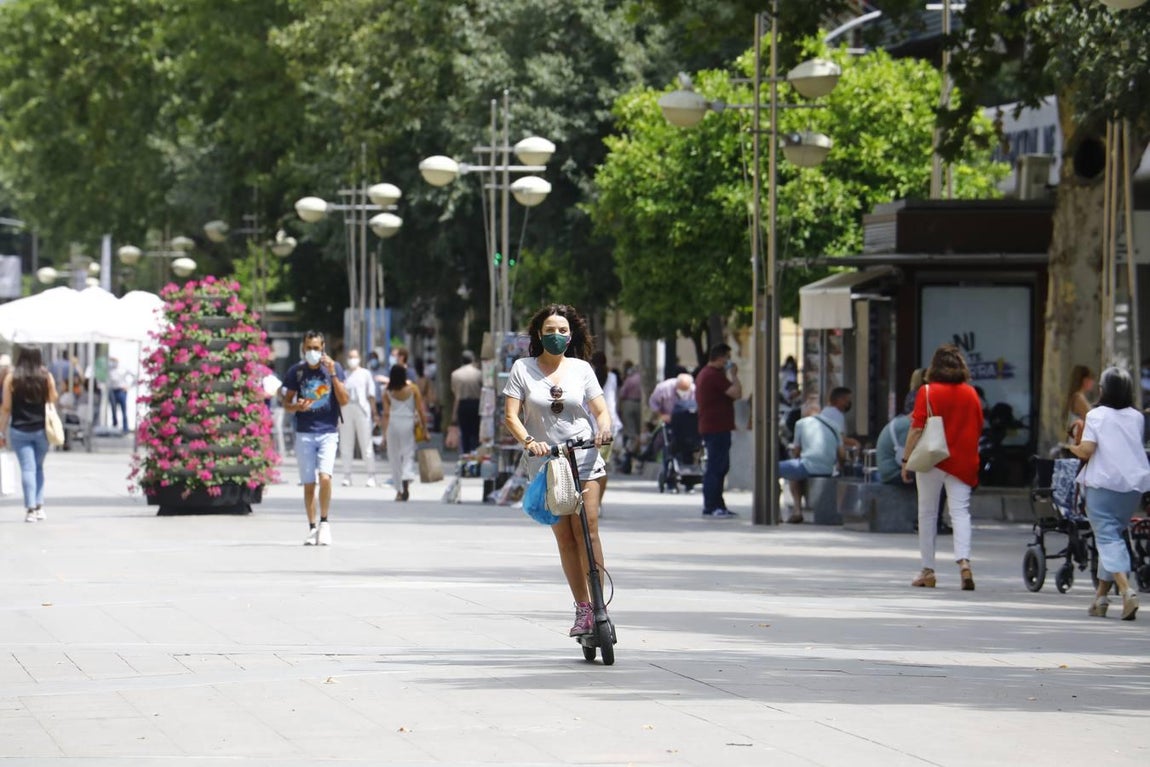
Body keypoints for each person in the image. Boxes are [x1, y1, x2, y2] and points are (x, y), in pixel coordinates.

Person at [503, 303, 613, 637]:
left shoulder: (581, 369)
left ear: (571, 334)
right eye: (550, 330)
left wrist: (603, 429)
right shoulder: (523, 369)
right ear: (539, 333)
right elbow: (511, 416)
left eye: (562, 330)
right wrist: (529, 440)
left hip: (584, 457)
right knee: (565, 536)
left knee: (588, 530)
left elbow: (601, 410)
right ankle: (582, 608)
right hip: (547, 463)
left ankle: (600, 606)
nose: (556, 335)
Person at [1067, 367, 1149, 620]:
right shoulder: (1136, 417)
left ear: (1104, 390)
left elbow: (1088, 450)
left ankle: (1127, 592)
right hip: (1132, 487)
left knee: (1107, 539)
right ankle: (1100, 599)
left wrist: (1072, 445)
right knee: (1112, 535)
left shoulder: (1097, 415)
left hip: (1103, 486)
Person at [901, 344, 983, 590]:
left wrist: (906, 460)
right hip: (962, 460)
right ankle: (964, 563)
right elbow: (979, 425)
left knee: (927, 513)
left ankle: (928, 570)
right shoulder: (971, 393)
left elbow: (916, 428)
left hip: (931, 459)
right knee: (960, 512)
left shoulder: (927, 392)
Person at [282, 331, 349, 546]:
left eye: (316, 348)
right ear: (303, 349)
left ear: (323, 348)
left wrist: (333, 375)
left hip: (328, 431)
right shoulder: (296, 372)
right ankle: (312, 528)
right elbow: (287, 403)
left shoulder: (334, 368)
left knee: (325, 477)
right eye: (309, 348)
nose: (312, 352)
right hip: (305, 432)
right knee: (309, 483)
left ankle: (325, 522)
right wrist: (296, 406)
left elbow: (345, 400)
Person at [0, 345, 59, 522]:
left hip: (19, 429)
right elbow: (53, 397)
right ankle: (39, 506)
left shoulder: (12, 378)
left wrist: (1, 430)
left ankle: (31, 508)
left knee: (27, 468)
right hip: (42, 429)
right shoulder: (45, 376)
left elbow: (6, 407)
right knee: (38, 467)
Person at [695, 343, 743, 519]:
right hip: (716, 428)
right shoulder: (714, 376)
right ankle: (712, 505)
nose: (729, 361)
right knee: (717, 467)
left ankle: (717, 504)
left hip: (714, 426)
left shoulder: (706, 374)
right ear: (721, 357)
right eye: (728, 357)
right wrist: (734, 376)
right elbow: (737, 393)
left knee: (719, 466)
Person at [779, 399, 843, 522]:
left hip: (807, 465)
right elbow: (842, 453)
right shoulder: (834, 425)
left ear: (806, 411)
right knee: (795, 474)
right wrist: (839, 466)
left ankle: (782, 512)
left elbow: (796, 451)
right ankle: (796, 510)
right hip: (828, 469)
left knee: (772, 468)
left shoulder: (801, 423)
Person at [381, 363, 426, 501]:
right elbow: (420, 410)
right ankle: (407, 476)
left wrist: (384, 436)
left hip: (393, 425)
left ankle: (399, 489)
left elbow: (386, 414)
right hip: (408, 423)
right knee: (408, 453)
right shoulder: (413, 389)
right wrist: (425, 428)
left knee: (394, 456)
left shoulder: (387, 392)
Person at [338, 348, 378, 487]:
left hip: (362, 409)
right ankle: (347, 475)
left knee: (366, 443)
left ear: (359, 358)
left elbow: (371, 395)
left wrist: (375, 413)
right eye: (350, 356)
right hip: (346, 409)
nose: (352, 359)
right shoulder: (343, 374)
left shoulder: (365, 374)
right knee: (346, 443)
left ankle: (371, 474)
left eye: (354, 356)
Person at [875, 390, 917, 485]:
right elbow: (902, 457)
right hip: (892, 472)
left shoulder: (902, 422)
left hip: (889, 470)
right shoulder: (906, 426)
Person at [591, 351, 622, 461]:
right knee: (604, 458)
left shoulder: (590, 375)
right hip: (609, 416)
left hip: (592, 416)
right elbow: (615, 397)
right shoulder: (613, 377)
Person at [450, 350, 483, 455]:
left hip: (462, 405)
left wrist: (453, 416)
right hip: (476, 405)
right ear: (472, 360)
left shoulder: (455, 374)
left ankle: (465, 454)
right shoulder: (479, 373)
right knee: (476, 431)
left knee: (465, 433)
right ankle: (475, 453)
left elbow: (456, 394)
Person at [1064, 364, 1095, 443]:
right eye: (1091, 379)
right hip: (1078, 442)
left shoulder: (1077, 396)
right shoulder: (1079, 398)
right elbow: (1091, 421)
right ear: (1085, 380)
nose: (1093, 383)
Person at [107, 357, 134, 433]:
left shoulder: (123, 369)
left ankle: (125, 428)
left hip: (121, 391)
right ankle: (115, 427)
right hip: (112, 391)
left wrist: (128, 386)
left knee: (123, 410)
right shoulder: (109, 370)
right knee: (113, 410)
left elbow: (134, 376)